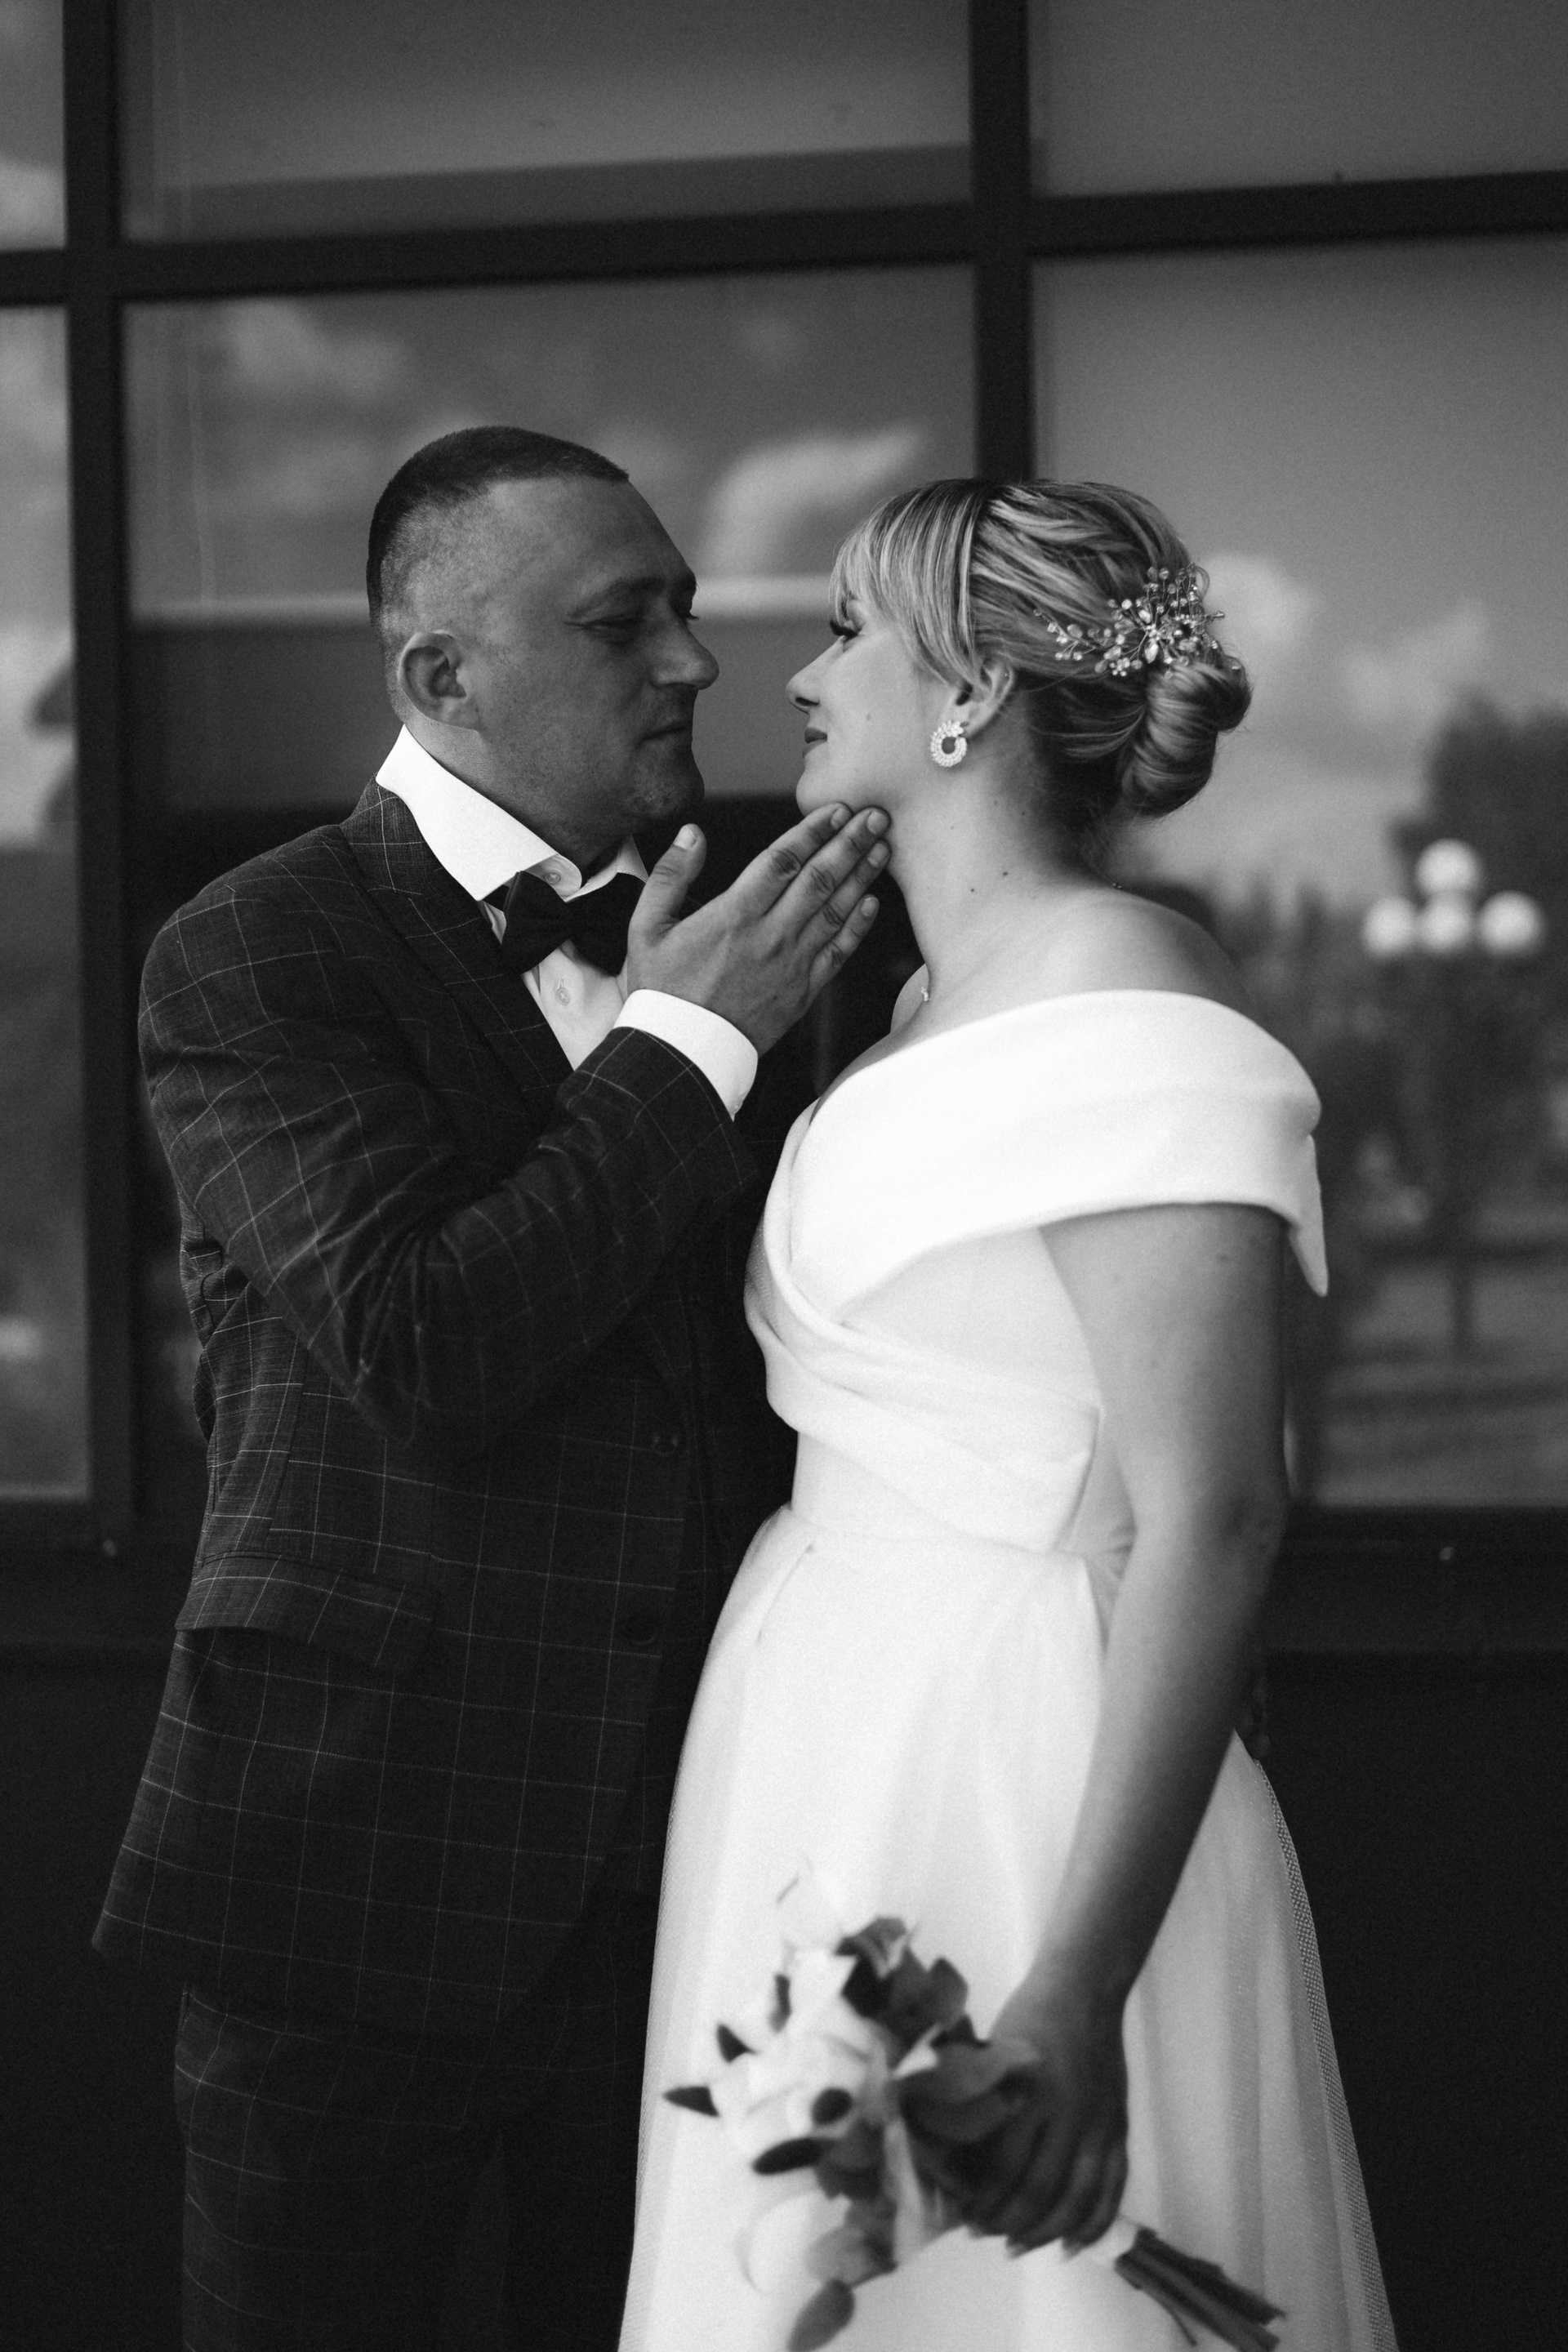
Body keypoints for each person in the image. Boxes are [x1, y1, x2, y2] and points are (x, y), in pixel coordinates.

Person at [92, 425, 890, 2352]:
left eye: (684, 607)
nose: (693, 660)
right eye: (624, 622)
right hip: (359, 1862)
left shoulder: (772, 945)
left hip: (698, 1862)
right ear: (439, 675)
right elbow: (424, 1340)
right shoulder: (256, 948)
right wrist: (688, 1038)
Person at [620, 479, 1399, 2350]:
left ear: (968, 694)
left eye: (847, 634)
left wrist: (1074, 1987)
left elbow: (1212, 1509)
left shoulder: (1122, 994)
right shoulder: (908, 1009)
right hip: (823, 1744)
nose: (799, 675)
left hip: (1013, 1760)